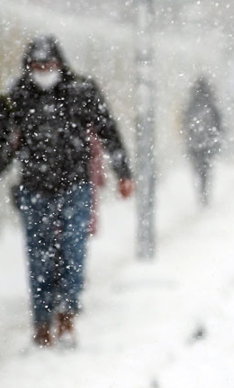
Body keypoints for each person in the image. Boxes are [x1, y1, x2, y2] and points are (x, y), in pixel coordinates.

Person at [0, 36, 134, 348]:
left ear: (60, 64)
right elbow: (4, 143)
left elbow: (108, 130)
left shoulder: (81, 91)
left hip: (75, 186)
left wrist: (123, 172)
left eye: (48, 65)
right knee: (39, 257)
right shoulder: (17, 96)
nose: (43, 71)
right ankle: (42, 321)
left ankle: (67, 315)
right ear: (28, 67)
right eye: (37, 66)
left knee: (73, 253)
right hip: (34, 189)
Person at [183, 76, 222, 206]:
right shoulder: (210, 103)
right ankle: (204, 191)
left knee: (199, 168)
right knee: (206, 168)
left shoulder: (192, 103)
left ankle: (201, 191)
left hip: (194, 143)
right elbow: (219, 122)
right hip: (207, 143)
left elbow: (185, 121)